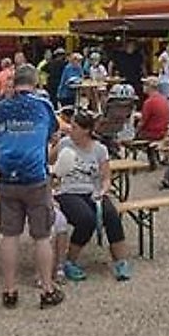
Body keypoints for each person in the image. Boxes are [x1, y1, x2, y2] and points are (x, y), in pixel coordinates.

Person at [0, 63, 63, 310]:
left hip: (7, 175)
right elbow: (53, 132)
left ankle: (9, 290)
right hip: (34, 175)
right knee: (42, 235)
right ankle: (47, 289)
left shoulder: (1, 107)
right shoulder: (42, 105)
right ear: (35, 82)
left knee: (9, 235)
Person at [53, 112, 131, 282]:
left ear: (86, 130)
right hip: (68, 191)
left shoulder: (99, 149)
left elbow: (106, 177)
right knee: (86, 219)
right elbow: (48, 161)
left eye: (74, 127)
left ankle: (120, 261)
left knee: (111, 215)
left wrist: (103, 190)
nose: (70, 130)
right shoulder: (64, 144)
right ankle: (70, 261)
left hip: (92, 191)